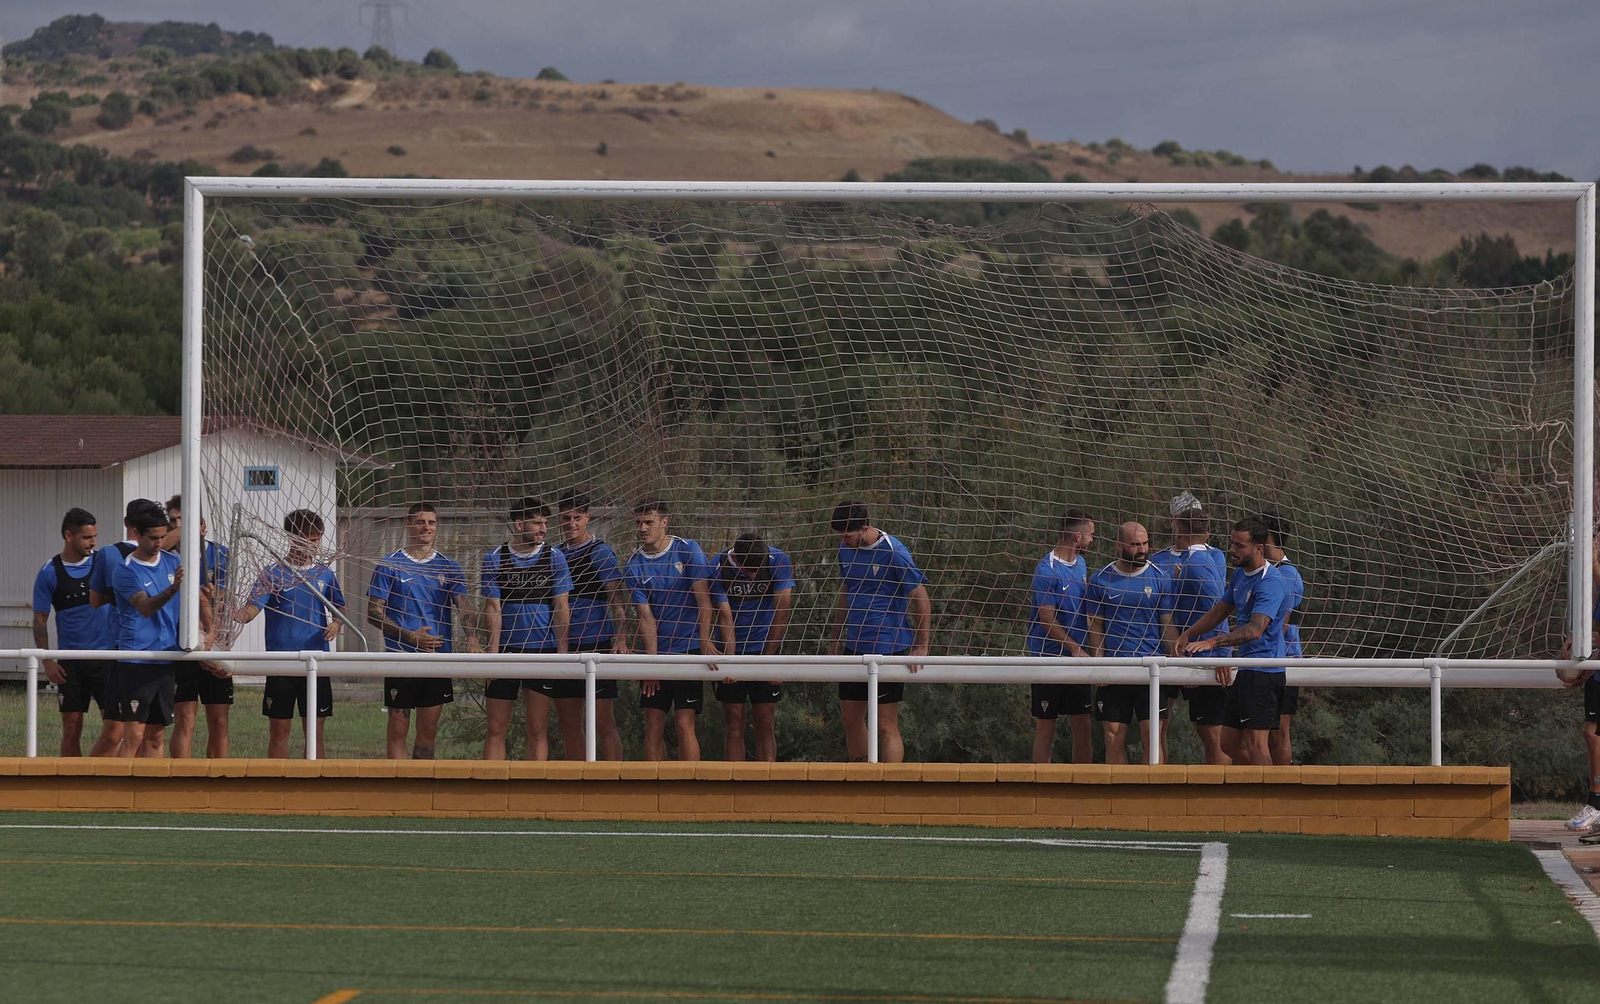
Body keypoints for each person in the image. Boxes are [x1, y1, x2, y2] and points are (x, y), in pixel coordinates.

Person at [1177, 517, 1294, 766]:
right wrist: (1189, 633)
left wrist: (1212, 643)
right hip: (1245, 669)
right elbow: (1219, 611)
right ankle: (1264, 778)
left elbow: (1255, 630)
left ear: (1258, 549)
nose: (1232, 550)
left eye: (1240, 546)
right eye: (1232, 544)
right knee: (1227, 742)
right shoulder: (1241, 575)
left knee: (1257, 743)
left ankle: (1266, 797)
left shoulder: (1271, 582)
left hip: (1264, 672)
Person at [366, 502, 477, 760]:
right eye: (420, 521)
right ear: (408, 524)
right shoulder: (389, 565)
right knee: (397, 727)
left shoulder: (450, 567)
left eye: (431, 522)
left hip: (437, 659)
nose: (426, 527)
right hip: (400, 659)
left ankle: (421, 788)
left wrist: (472, 638)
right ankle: (399, 790)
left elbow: (465, 607)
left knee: (428, 730)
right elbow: (373, 613)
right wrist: (409, 635)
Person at [626, 500, 733, 762]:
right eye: (638, 522)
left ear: (664, 522)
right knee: (653, 725)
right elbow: (645, 618)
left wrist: (704, 640)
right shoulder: (633, 565)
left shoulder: (688, 550)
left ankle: (690, 788)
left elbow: (704, 601)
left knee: (684, 724)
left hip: (688, 650)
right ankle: (654, 790)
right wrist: (651, 664)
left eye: (648, 522)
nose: (642, 528)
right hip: (657, 653)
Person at [233, 509, 344, 759]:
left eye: (317, 539)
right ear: (292, 538)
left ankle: (316, 784)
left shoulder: (325, 574)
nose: (314, 545)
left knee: (314, 730)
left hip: (316, 662)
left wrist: (336, 623)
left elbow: (339, 609)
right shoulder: (272, 573)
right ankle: (276, 785)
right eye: (308, 539)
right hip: (280, 662)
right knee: (280, 729)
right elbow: (252, 609)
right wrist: (235, 613)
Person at [827, 501, 932, 763]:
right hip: (855, 644)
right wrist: (835, 637)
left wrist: (922, 644)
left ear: (864, 528)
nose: (844, 540)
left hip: (888, 646)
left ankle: (889, 788)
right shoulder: (845, 548)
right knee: (849, 719)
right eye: (840, 535)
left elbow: (920, 596)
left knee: (885, 724)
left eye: (848, 535)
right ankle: (864, 779)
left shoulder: (894, 552)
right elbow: (846, 591)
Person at [482, 497, 573, 761]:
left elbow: (561, 606)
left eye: (545, 522)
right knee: (496, 727)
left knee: (536, 727)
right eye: (537, 522)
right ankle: (491, 789)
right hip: (507, 652)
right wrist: (492, 654)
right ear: (520, 524)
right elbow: (492, 608)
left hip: (542, 651)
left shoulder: (554, 557)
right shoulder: (495, 557)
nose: (543, 528)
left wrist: (562, 650)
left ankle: (535, 791)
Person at [1086, 522, 1177, 765]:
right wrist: (1099, 664)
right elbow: (1095, 626)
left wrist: (1178, 657)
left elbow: (1167, 626)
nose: (1142, 549)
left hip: (1151, 670)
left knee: (1153, 737)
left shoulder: (1160, 578)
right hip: (1115, 671)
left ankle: (1154, 800)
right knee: (1113, 737)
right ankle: (1119, 799)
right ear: (1119, 546)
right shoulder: (1101, 580)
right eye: (1135, 544)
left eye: (1145, 543)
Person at [31, 508, 118, 756]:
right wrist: (47, 661)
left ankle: (91, 778)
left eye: (95, 537)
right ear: (69, 536)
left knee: (115, 730)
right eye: (87, 537)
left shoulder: (104, 563)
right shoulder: (49, 572)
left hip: (106, 659)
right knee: (71, 728)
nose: (93, 543)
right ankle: (71, 785)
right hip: (71, 663)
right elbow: (39, 620)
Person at [1154, 495, 1232, 766]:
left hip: (1204, 655)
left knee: (1211, 733)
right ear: (1174, 522)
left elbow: (1219, 608)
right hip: (1167, 653)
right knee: (1157, 727)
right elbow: (1158, 609)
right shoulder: (1158, 560)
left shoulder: (1214, 557)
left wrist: (1221, 653)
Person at [107, 503, 187, 758]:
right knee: (134, 736)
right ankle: (118, 794)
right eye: (153, 538)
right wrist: (173, 590)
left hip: (166, 657)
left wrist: (207, 629)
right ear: (138, 535)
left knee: (156, 736)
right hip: (136, 660)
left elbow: (196, 599)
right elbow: (145, 607)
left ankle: (153, 795)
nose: (159, 543)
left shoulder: (174, 562)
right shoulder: (126, 570)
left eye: (163, 537)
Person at [556, 491, 629, 760]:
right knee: (569, 725)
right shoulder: (556, 554)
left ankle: (613, 784)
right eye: (566, 518)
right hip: (564, 647)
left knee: (603, 724)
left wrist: (620, 638)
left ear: (588, 517)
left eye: (577, 517)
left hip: (596, 643)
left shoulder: (600, 553)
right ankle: (577, 785)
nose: (571, 523)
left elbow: (617, 598)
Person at [713, 533, 795, 762]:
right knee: (734, 721)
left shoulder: (778, 560)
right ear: (736, 559)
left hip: (765, 648)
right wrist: (730, 663)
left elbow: (782, 613)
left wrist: (769, 661)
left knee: (765, 721)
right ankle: (733, 786)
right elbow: (724, 618)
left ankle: (768, 788)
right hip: (731, 649)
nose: (753, 575)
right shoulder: (717, 566)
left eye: (757, 570)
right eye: (748, 571)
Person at [163, 494, 232, 758]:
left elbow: (226, 597)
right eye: (173, 521)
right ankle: (181, 778)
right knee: (185, 719)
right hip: (180, 646)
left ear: (201, 525)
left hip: (212, 643)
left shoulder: (220, 554)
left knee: (219, 720)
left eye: (183, 520)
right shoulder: (166, 558)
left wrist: (215, 596)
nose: (178, 526)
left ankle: (220, 780)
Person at [1027, 509, 1095, 764]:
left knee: (1082, 723)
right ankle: (1041, 784)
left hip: (1078, 657)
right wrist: (1074, 648)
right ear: (1077, 536)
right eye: (1090, 536)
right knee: (1046, 725)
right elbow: (1047, 619)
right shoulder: (1047, 570)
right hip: (1048, 657)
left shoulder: (1082, 564)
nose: (1092, 541)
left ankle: (1084, 783)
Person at [1258, 510, 1305, 766]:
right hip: (1262, 661)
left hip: (1285, 661)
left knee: (1279, 732)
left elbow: (1281, 625)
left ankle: (1283, 786)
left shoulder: (1287, 575)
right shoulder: (1260, 572)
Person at [1560, 540, 1600, 832]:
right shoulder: (1597, 596)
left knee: (1593, 733)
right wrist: (1578, 657)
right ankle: (1596, 804)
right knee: (1591, 733)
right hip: (1598, 674)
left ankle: (1596, 804)